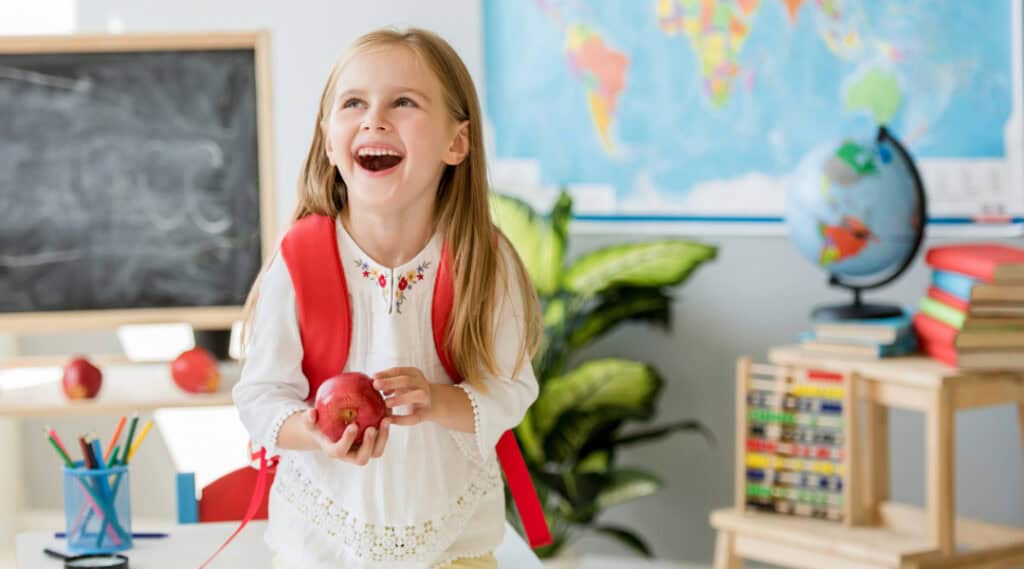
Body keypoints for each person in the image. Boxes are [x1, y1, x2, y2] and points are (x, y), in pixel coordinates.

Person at [233, 27, 546, 569]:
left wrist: (438, 400)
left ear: (457, 143)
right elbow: (260, 397)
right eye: (353, 102)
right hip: (321, 547)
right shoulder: (299, 261)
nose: (374, 118)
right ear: (330, 139)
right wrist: (315, 431)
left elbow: (512, 390)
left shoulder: (484, 262)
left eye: (403, 102)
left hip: (453, 545)